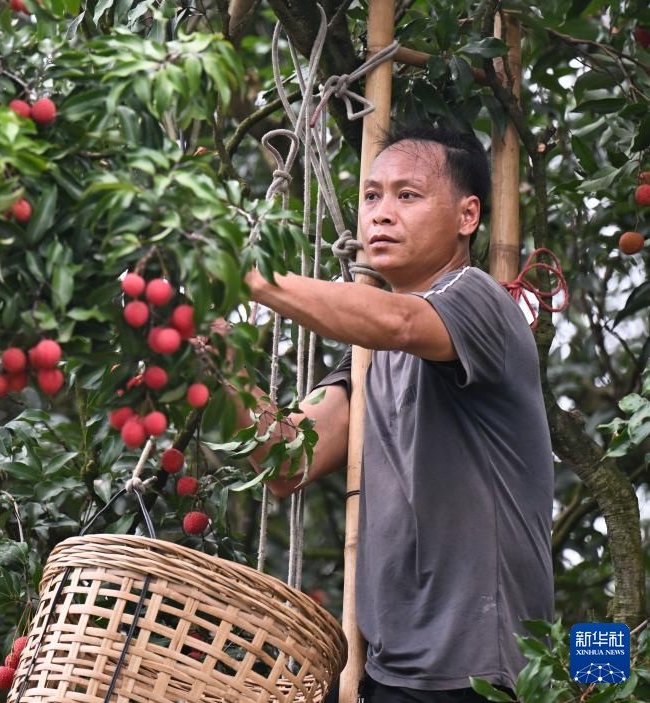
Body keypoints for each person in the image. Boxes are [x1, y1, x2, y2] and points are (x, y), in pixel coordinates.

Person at [229, 125, 554, 702]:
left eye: (408, 196)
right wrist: (215, 356)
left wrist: (249, 274)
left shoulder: (481, 300)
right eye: (371, 196)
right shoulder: (366, 357)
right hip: (387, 672)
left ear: (467, 216)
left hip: (476, 671)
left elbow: (401, 322)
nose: (380, 214)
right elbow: (283, 462)